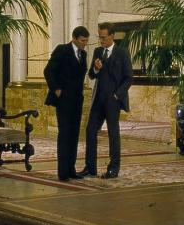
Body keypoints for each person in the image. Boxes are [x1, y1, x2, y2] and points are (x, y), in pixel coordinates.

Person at [82, 22, 132, 179]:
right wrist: (96, 68)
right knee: (90, 131)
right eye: (99, 37)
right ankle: (90, 168)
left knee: (113, 133)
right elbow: (91, 74)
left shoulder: (122, 53)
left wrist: (118, 95)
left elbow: (128, 78)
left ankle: (113, 168)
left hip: (113, 101)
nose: (101, 40)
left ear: (112, 36)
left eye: (103, 37)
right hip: (98, 100)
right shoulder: (98, 51)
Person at [43, 26, 89, 181]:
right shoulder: (62, 50)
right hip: (63, 100)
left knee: (74, 135)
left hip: (76, 100)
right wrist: (56, 89)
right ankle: (63, 172)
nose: (85, 44)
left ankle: (71, 169)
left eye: (86, 41)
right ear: (74, 38)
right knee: (65, 134)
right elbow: (48, 71)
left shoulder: (83, 54)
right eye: (83, 41)